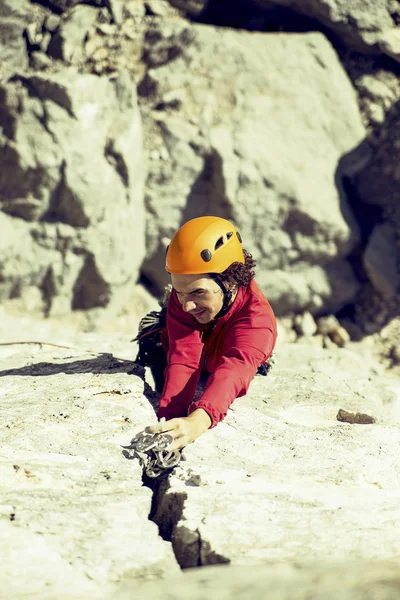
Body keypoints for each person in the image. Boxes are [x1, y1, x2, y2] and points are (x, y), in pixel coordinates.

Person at [135, 216, 277, 451]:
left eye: (197, 293)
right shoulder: (183, 301)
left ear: (230, 281)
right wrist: (169, 418)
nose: (187, 305)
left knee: (232, 368)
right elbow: (183, 355)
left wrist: (195, 423)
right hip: (202, 348)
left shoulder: (256, 323)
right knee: (152, 332)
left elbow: (233, 371)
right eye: (179, 292)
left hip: (229, 357)